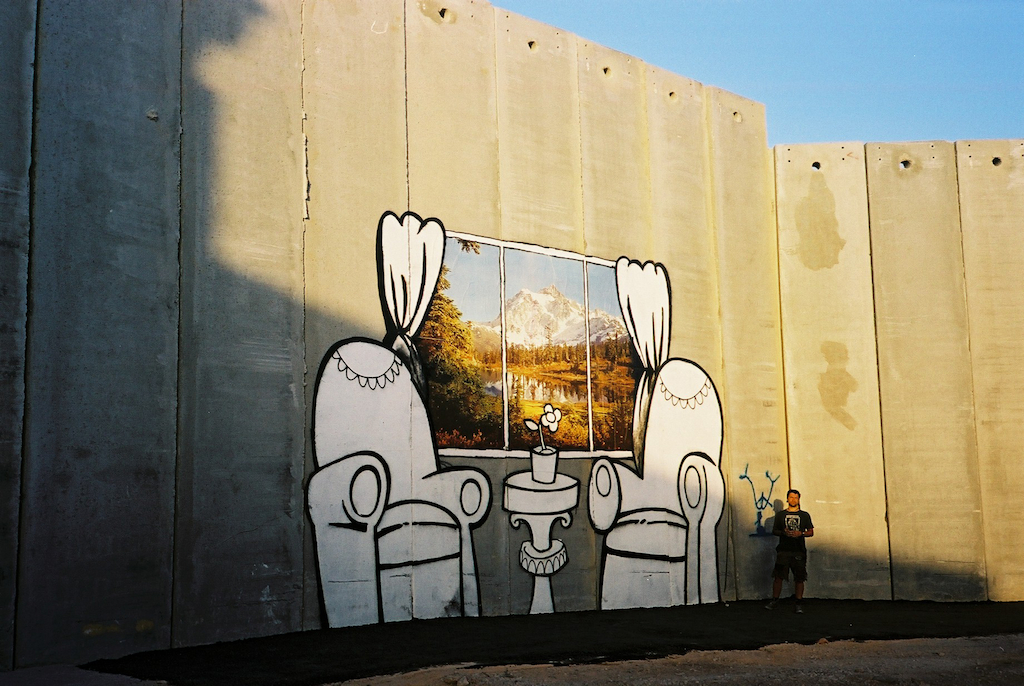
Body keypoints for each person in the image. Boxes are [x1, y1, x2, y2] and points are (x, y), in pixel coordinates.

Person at [766, 489, 814, 613]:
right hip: (784, 550)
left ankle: (798, 603)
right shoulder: (780, 515)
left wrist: (800, 533)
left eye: (796, 497)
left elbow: (811, 532)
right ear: (787, 499)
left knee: (799, 577)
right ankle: (775, 600)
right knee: (778, 576)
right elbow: (775, 530)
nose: (793, 500)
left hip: (799, 551)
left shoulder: (804, 515)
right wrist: (784, 533)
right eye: (791, 497)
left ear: (799, 499)